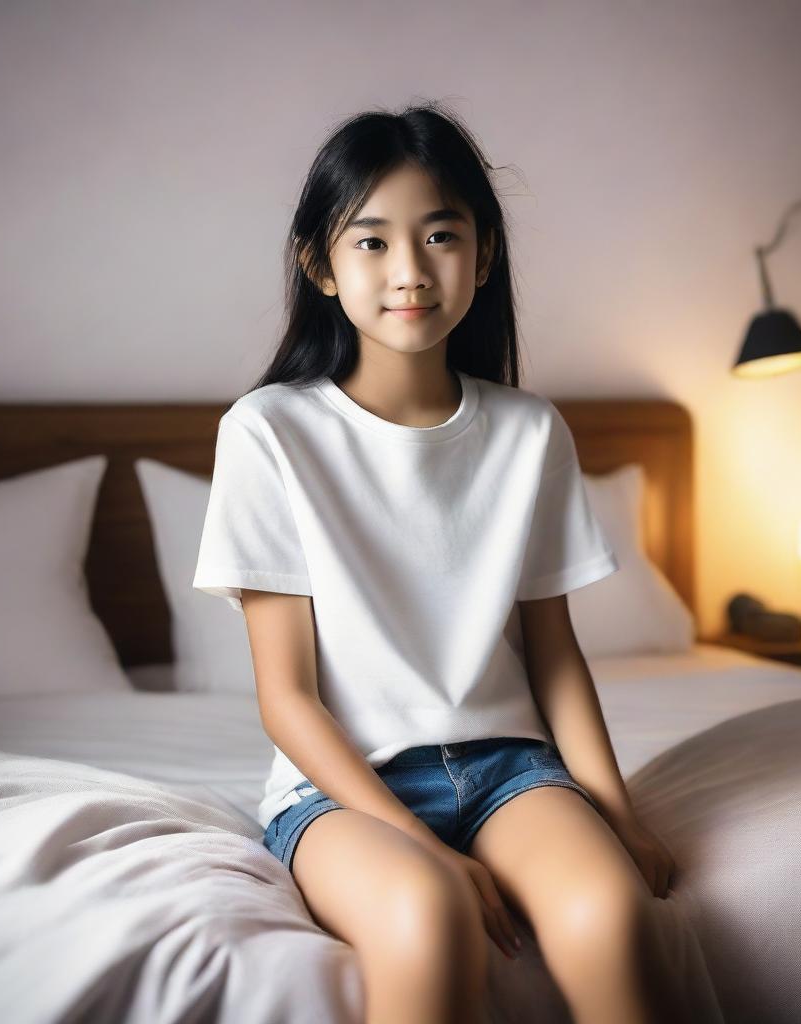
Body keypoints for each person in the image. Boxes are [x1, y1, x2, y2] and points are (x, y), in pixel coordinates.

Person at [193, 100, 682, 1024]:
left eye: (440, 236)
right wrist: (415, 838)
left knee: (610, 910)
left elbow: (555, 657)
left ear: (484, 255)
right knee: (429, 914)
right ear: (320, 265)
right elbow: (286, 696)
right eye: (371, 242)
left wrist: (619, 817)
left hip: (512, 772)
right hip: (343, 791)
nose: (410, 271)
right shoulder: (269, 432)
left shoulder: (530, 431)